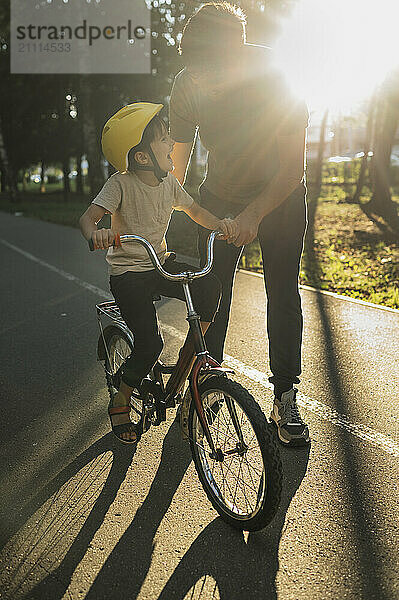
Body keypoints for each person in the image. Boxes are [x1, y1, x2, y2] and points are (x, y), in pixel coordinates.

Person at [169, 2, 310, 446]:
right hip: (221, 194)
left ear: (239, 55)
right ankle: (205, 388)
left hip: (280, 195)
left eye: (212, 72)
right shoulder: (186, 83)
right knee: (210, 296)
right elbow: (177, 161)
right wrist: (162, 208)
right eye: (194, 69)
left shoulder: (277, 78)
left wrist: (252, 216)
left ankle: (285, 396)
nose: (201, 81)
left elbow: (292, 169)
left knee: (282, 292)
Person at [79, 102, 236, 443]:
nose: (171, 145)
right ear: (142, 158)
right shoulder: (120, 184)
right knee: (150, 343)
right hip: (129, 274)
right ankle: (120, 399)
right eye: (165, 139)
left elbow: (194, 209)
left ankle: (188, 361)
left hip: (159, 263)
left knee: (210, 284)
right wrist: (97, 233)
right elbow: (88, 219)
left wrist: (221, 225)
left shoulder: (169, 184)